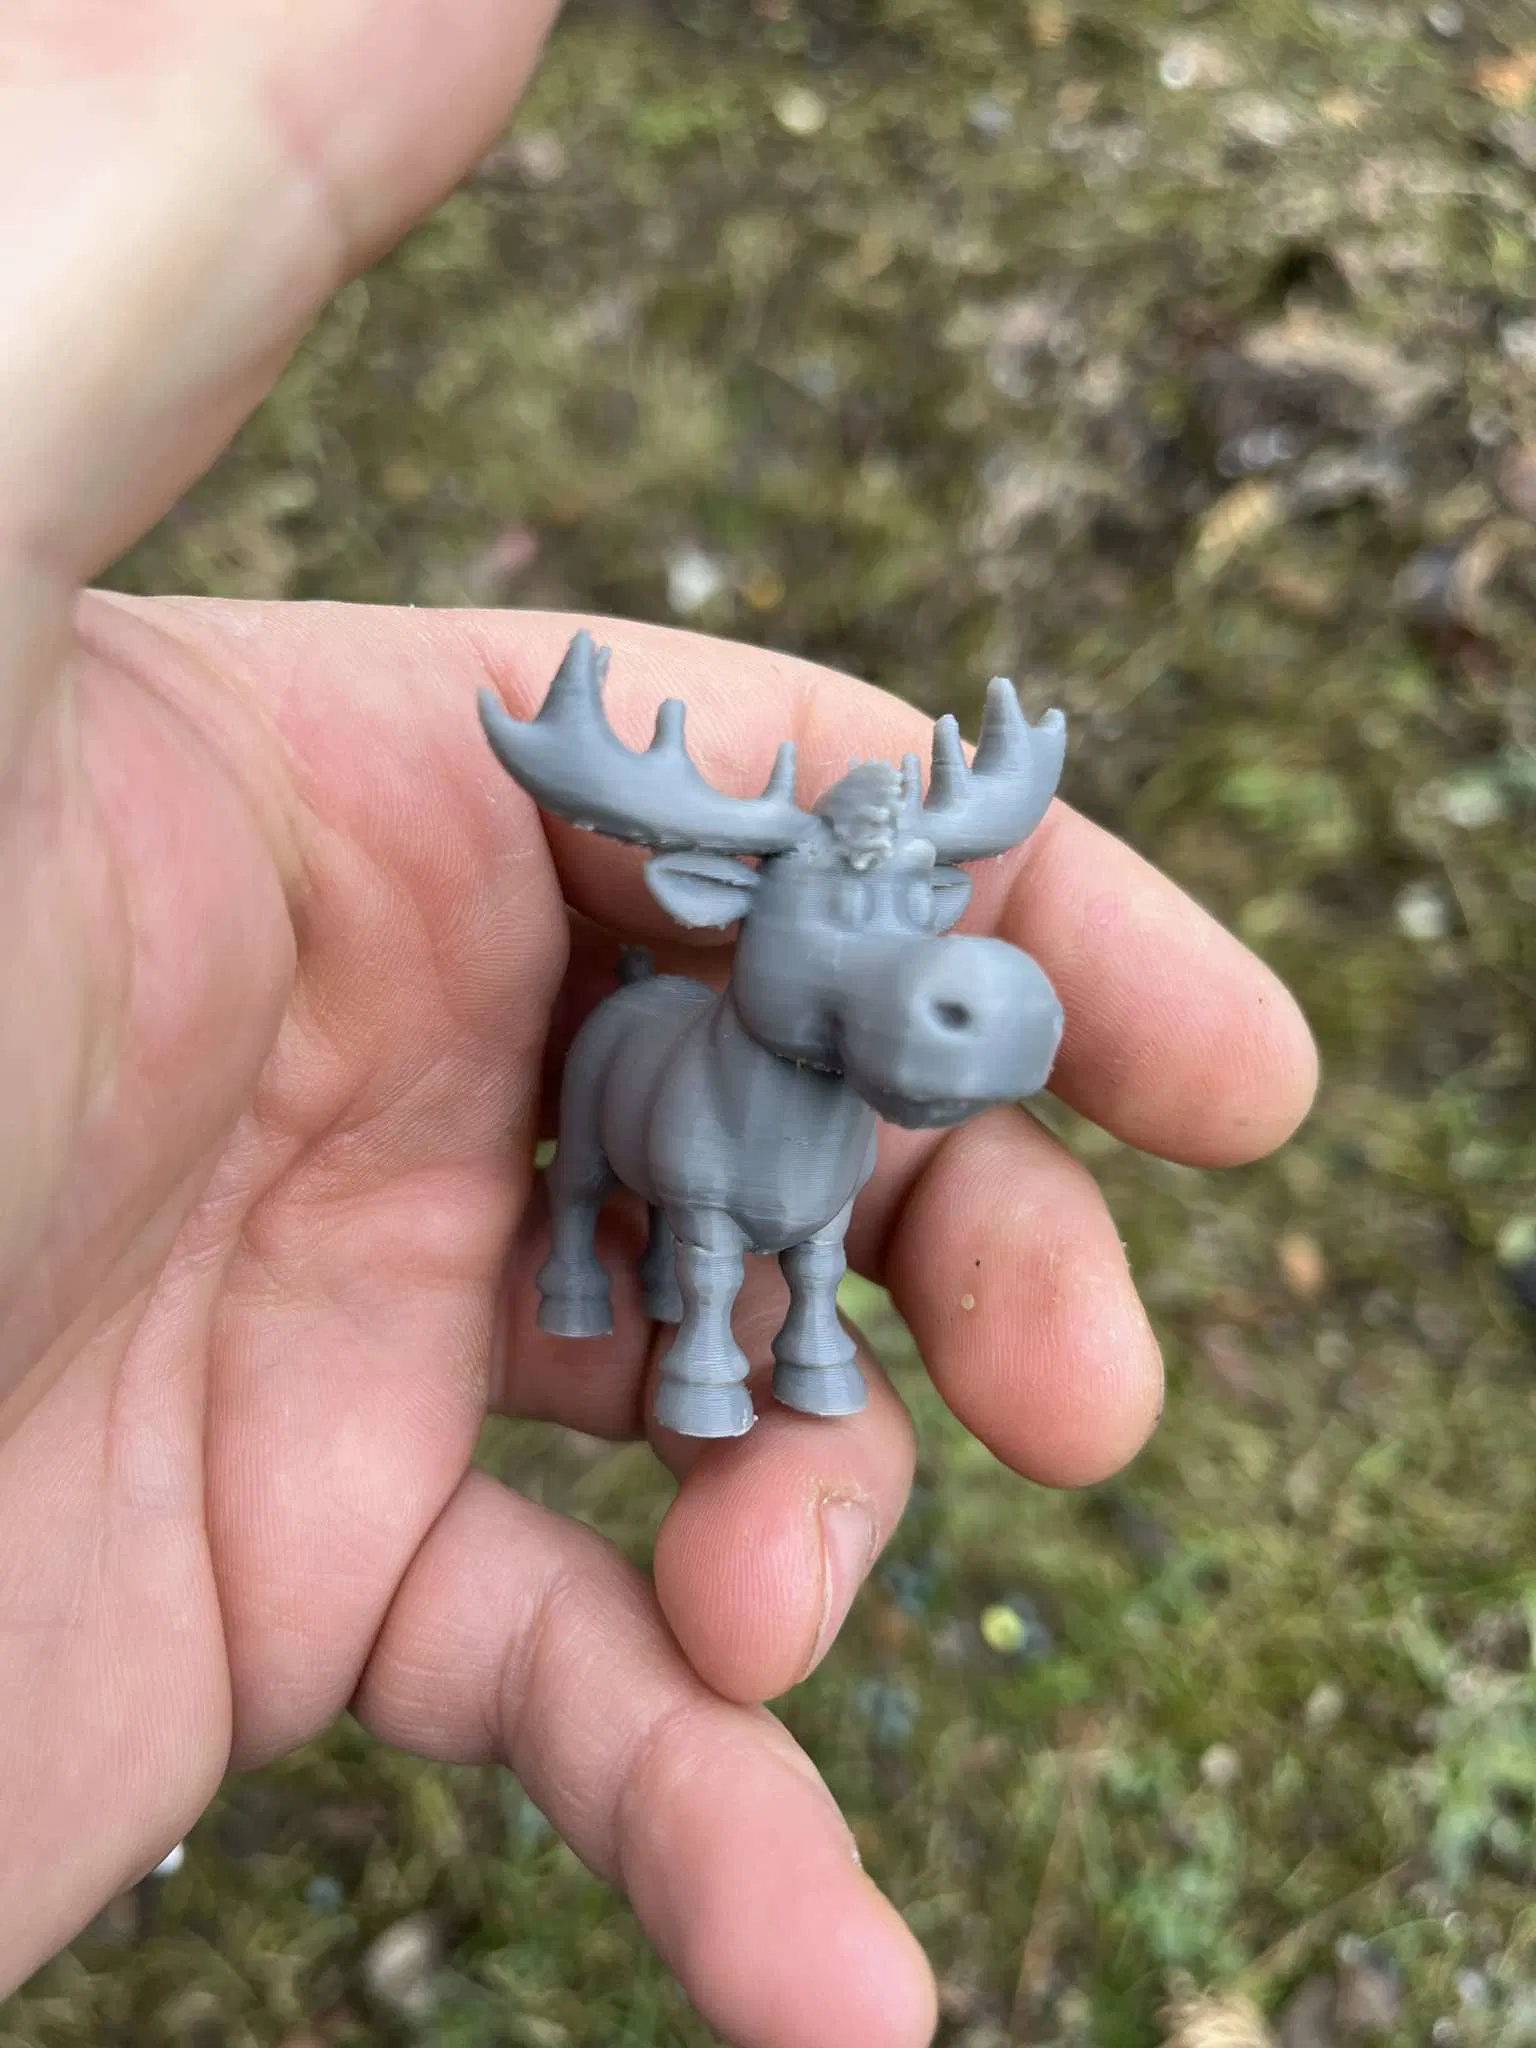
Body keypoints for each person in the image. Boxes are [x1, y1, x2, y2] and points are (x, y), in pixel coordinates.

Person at [0, 7, 1317, 2045]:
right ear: (726, 918)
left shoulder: (856, 1069)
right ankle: (692, 1318)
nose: (897, 964)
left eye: (914, 928)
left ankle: (784, 1328)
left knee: (810, 1241)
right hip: (642, 1112)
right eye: (837, 926)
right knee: (658, 1203)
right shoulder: (669, 1003)